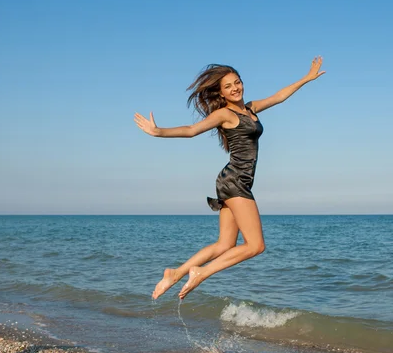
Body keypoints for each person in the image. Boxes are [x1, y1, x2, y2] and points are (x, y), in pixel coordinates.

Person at [134, 56, 325, 299]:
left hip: (232, 180)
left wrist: (307, 78)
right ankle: (200, 273)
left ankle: (175, 273)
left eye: (237, 82)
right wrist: (158, 132)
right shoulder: (224, 114)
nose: (235, 88)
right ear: (221, 93)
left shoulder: (249, 108)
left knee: (224, 245)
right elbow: (192, 130)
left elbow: (278, 96)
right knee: (255, 246)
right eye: (228, 86)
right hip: (235, 181)